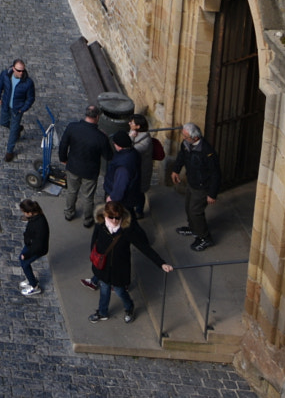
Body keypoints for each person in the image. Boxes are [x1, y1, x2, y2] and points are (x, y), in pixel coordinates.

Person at [86, 202, 172, 323]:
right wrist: (94, 256)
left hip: (119, 270)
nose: (115, 220)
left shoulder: (127, 231)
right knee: (104, 290)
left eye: (117, 217)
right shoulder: (100, 225)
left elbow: (144, 248)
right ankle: (102, 312)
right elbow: (94, 241)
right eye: (111, 217)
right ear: (105, 215)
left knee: (120, 291)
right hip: (103, 268)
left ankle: (129, 307)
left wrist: (161, 263)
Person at [165, 122, 223, 251]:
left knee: (195, 212)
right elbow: (181, 157)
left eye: (186, 136)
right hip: (192, 182)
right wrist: (176, 170)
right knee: (188, 207)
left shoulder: (207, 152)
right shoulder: (187, 145)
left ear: (195, 138)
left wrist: (212, 194)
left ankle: (205, 238)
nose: (183, 139)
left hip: (203, 187)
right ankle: (193, 228)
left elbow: (216, 174)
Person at [59, 105, 113, 222]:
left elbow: (63, 145)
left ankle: (69, 213)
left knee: (71, 191)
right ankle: (87, 219)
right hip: (90, 171)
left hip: (73, 166)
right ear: (97, 117)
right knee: (88, 197)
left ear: (86, 114)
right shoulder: (100, 137)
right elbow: (108, 156)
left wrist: (63, 158)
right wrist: (106, 139)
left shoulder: (72, 127)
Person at [0, 59, 37, 161]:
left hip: (17, 110)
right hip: (6, 105)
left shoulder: (28, 82)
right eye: (19, 71)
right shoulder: (5, 75)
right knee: (3, 122)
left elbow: (31, 98)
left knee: (13, 131)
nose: (21, 73)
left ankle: (9, 152)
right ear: (13, 69)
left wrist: (23, 109)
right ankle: (18, 129)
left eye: (23, 70)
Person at [128, 115, 166, 217]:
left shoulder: (145, 141)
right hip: (136, 169)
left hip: (141, 171)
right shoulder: (135, 134)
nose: (129, 124)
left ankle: (139, 211)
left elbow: (130, 151)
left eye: (132, 123)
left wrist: (131, 137)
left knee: (140, 192)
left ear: (138, 126)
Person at [106, 132, 146, 218]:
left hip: (123, 200)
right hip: (131, 195)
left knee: (123, 220)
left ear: (119, 146)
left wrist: (112, 198)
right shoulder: (133, 153)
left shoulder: (123, 166)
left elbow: (121, 184)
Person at [17, 200, 49, 297]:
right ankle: (31, 279)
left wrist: (27, 254)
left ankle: (34, 286)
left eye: (24, 212)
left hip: (35, 249)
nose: (24, 214)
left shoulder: (40, 224)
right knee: (23, 261)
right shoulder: (36, 218)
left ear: (30, 213)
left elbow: (38, 245)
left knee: (24, 263)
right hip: (31, 245)